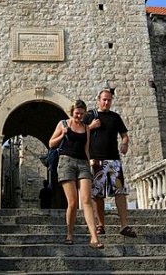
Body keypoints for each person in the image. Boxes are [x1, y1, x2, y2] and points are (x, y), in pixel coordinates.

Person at [49, 99, 103, 248]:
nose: (78, 116)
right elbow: (51, 143)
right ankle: (69, 234)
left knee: (86, 200)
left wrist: (89, 163)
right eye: (76, 114)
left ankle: (94, 238)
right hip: (66, 163)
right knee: (72, 202)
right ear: (72, 112)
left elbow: (86, 148)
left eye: (81, 114)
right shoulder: (63, 124)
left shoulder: (86, 128)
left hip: (83, 164)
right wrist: (62, 134)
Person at [84, 89, 137, 238]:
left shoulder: (115, 117)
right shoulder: (89, 116)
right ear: (98, 100)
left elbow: (124, 135)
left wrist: (125, 144)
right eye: (104, 100)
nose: (106, 102)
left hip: (113, 160)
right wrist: (91, 127)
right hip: (96, 160)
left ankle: (124, 225)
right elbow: (80, 133)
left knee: (120, 192)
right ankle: (101, 225)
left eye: (109, 100)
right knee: (98, 195)